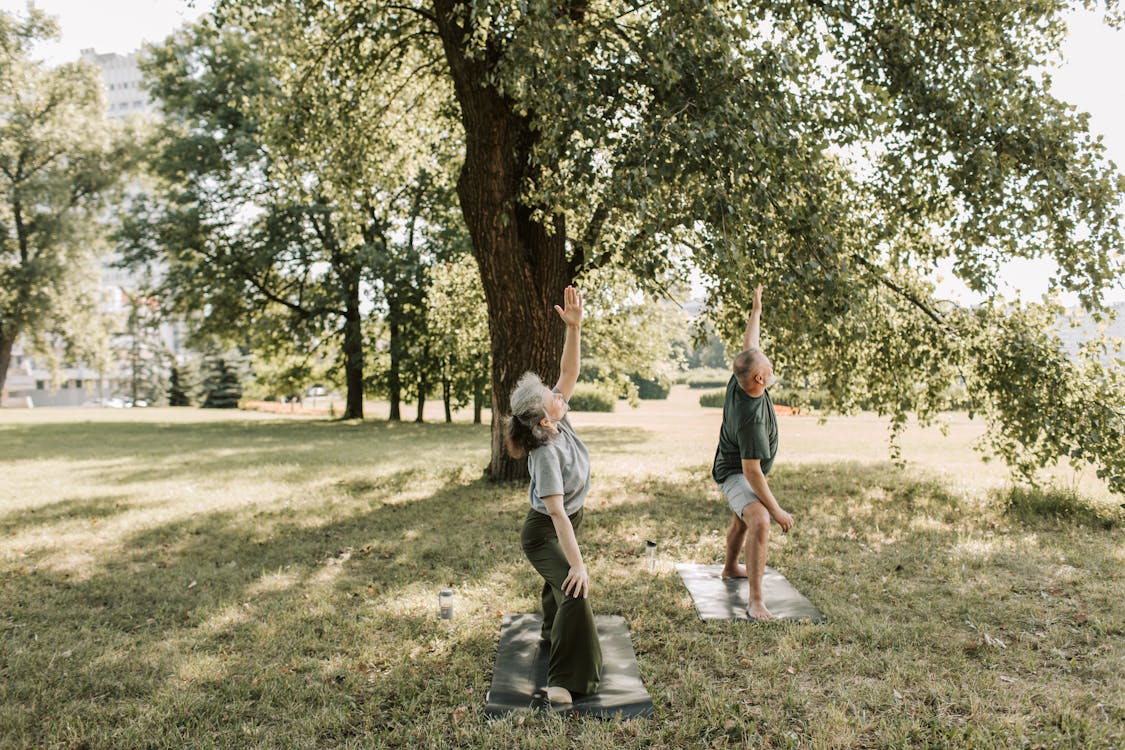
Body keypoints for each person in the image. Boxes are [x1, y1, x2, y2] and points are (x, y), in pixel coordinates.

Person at [503, 285, 602, 705]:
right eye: (550, 396)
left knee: (557, 588)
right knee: (574, 589)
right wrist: (579, 564)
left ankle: (549, 631)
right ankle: (564, 680)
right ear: (543, 417)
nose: (558, 394)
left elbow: (570, 372)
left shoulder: (557, 421)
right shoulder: (544, 452)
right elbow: (556, 516)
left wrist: (574, 330)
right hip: (544, 530)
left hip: (565, 521)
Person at [711, 284, 795, 621]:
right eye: (768, 368)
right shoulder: (750, 418)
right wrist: (776, 511)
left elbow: (750, 346)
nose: (771, 368)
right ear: (760, 377)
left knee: (742, 519)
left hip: (738, 467)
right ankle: (756, 601)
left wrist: (756, 310)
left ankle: (731, 567)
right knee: (758, 519)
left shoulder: (741, 376)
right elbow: (752, 472)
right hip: (735, 471)